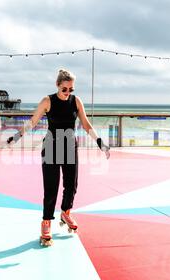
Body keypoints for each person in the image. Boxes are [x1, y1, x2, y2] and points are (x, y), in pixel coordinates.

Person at [7, 69, 110, 246]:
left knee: (72, 184)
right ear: (57, 85)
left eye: (71, 89)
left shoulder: (76, 101)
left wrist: (100, 142)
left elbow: (85, 124)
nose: (68, 93)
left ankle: (66, 212)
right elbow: (32, 122)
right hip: (52, 147)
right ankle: (46, 222)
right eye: (65, 89)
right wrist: (16, 137)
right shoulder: (48, 101)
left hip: (70, 146)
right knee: (51, 186)